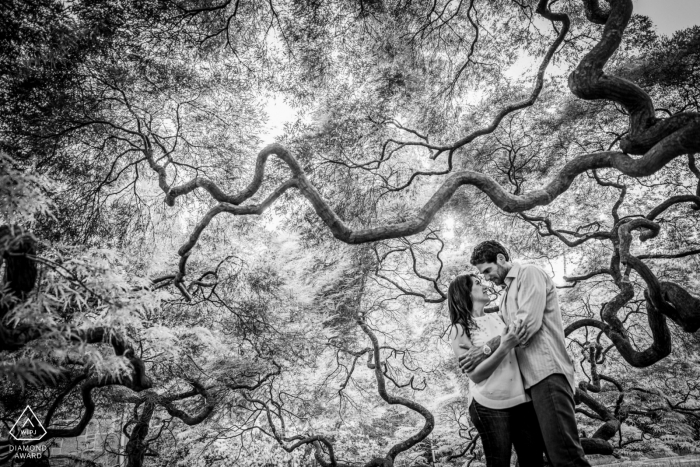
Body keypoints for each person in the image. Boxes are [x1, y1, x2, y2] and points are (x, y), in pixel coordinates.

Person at [460, 241, 590, 467]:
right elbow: (508, 335)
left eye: (488, 270)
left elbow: (525, 325)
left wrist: (485, 350)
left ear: (501, 258)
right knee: (551, 457)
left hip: (547, 373)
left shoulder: (529, 273)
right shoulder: (505, 297)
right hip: (530, 384)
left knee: (565, 456)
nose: (487, 278)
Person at [448, 274, 546, 467]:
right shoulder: (459, 329)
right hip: (488, 404)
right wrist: (504, 346)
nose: (485, 285)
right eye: (478, 283)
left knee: (534, 461)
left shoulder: (499, 316)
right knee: (498, 463)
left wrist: (495, 347)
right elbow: (476, 375)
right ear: (465, 293)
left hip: (522, 400)